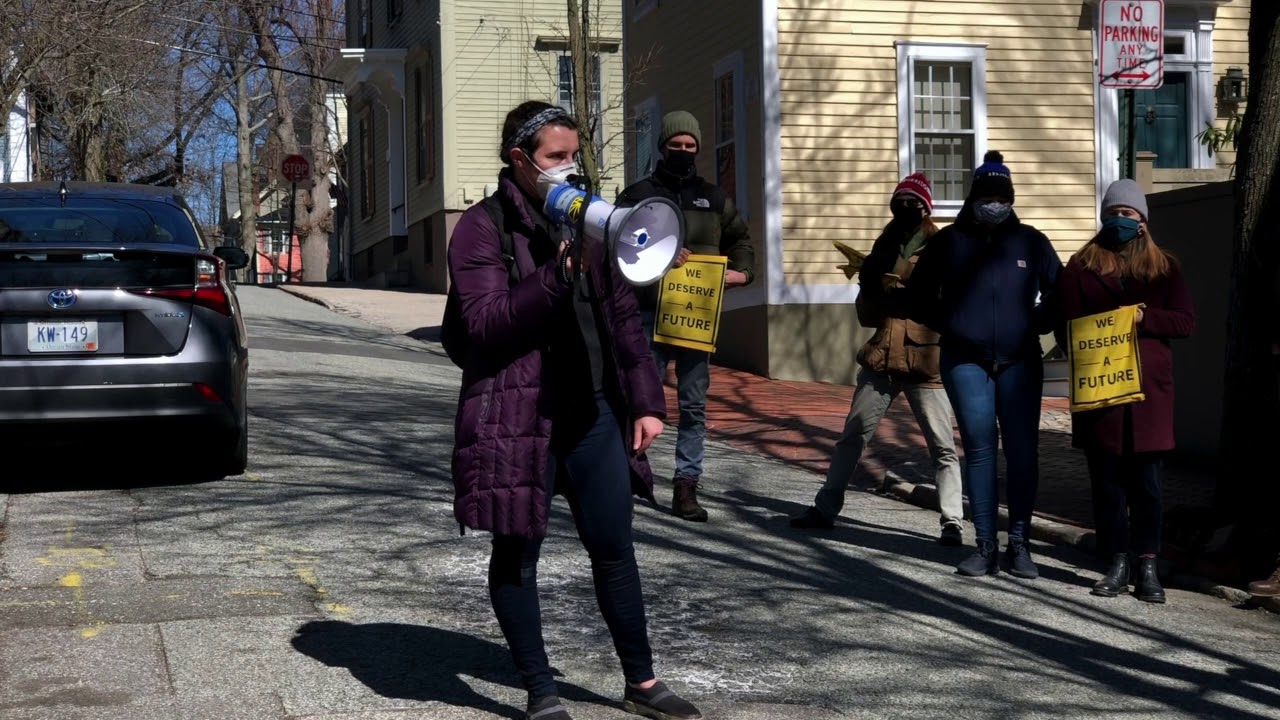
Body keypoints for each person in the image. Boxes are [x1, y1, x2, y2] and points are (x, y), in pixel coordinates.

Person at [448, 100, 701, 720]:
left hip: (592, 415)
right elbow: (485, 325)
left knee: (614, 545)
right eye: (555, 159)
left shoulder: (592, 222)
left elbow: (622, 324)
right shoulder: (481, 228)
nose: (569, 170)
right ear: (520, 161)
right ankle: (540, 689)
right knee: (517, 555)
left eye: (574, 157)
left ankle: (640, 683)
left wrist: (645, 402)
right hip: (517, 417)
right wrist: (558, 277)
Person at [908, 151, 1063, 579]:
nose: (994, 203)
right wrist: (950, 324)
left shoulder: (1031, 242)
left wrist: (1039, 321)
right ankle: (985, 546)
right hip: (965, 359)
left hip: (1020, 360)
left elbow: (1060, 290)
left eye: (1002, 197)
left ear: (1012, 200)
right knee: (978, 449)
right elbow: (918, 295)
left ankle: (1019, 543)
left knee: (1021, 452)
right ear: (973, 197)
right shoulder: (948, 242)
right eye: (987, 196)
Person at [790, 173, 964, 544]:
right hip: (881, 361)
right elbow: (867, 317)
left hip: (925, 364)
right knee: (852, 437)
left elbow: (951, 306)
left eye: (914, 203)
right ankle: (824, 508)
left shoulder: (943, 247)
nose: (906, 208)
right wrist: (871, 287)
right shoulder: (882, 246)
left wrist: (915, 296)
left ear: (927, 208)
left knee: (942, 447)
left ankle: (952, 521)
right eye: (900, 202)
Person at [1055, 179, 1194, 603]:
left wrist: (1144, 318)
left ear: (1142, 221)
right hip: (1102, 393)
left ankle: (1147, 563)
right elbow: (1065, 324)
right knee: (1108, 484)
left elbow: (1184, 322)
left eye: (1128, 214)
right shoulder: (1082, 265)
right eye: (1113, 213)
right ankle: (1116, 560)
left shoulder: (1164, 267)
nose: (1119, 220)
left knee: (1148, 486)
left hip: (1149, 395)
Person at [614, 110, 756, 522]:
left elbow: (741, 239)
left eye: (689, 146)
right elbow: (614, 239)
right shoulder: (639, 194)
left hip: (697, 317)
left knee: (693, 406)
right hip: (646, 312)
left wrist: (743, 272)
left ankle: (686, 487)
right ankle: (625, 474)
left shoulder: (714, 198)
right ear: (662, 147)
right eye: (675, 145)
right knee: (639, 398)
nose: (682, 151)